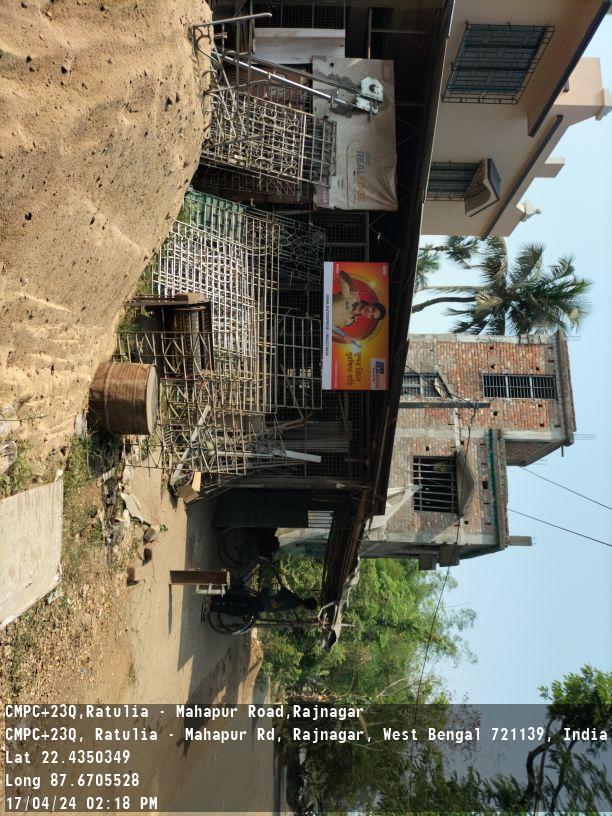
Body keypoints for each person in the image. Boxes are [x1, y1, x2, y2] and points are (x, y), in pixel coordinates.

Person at [209, 586, 318, 618]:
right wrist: (276, 604)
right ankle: (212, 607)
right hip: (264, 605)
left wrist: (276, 599)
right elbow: (284, 598)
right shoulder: (296, 602)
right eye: (307, 609)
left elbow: (284, 590)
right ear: (306, 607)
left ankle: (214, 599)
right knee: (239, 611)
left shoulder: (297, 598)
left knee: (240, 600)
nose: (305, 610)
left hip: (264, 600)